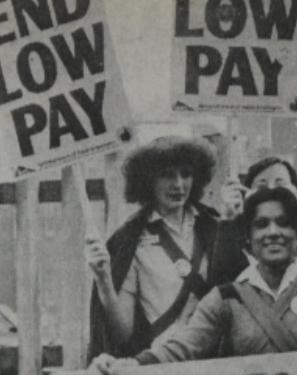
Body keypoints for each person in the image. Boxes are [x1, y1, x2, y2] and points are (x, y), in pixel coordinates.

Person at [90, 187, 297, 375]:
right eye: (261, 224)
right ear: (248, 240)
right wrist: (133, 365)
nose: (273, 232)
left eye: (284, 223)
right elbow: (181, 348)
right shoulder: (226, 298)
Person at [86, 136, 220, 359]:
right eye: (167, 175)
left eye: (185, 174)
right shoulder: (130, 240)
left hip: (215, 361)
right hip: (164, 362)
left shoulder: (214, 226)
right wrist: (104, 282)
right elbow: (122, 334)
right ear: (148, 180)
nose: (178, 184)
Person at [213, 157, 297, 285]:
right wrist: (228, 219)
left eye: (281, 185)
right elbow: (221, 290)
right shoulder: (235, 249)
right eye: (262, 187)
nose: (272, 191)